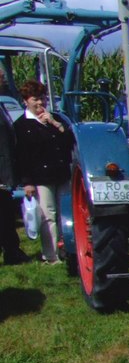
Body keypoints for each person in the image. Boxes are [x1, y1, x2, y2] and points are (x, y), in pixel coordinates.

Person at [13, 80, 73, 263]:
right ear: (26, 101)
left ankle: (68, 250)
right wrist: (27, 181)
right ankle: (51, 254)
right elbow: (21, 156)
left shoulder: (56, 119)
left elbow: (69, 142)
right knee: (48, 216)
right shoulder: (21, 126)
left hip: (62, 174)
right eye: (35, 100)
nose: (40, 103)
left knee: (66, 215)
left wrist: (55, 124)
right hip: (41, 178)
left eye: (42, 99)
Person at [0, 101, 26, 264]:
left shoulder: (2, 106)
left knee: (6, 214)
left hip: (5, 173)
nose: (1, 76)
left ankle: (12, 251)